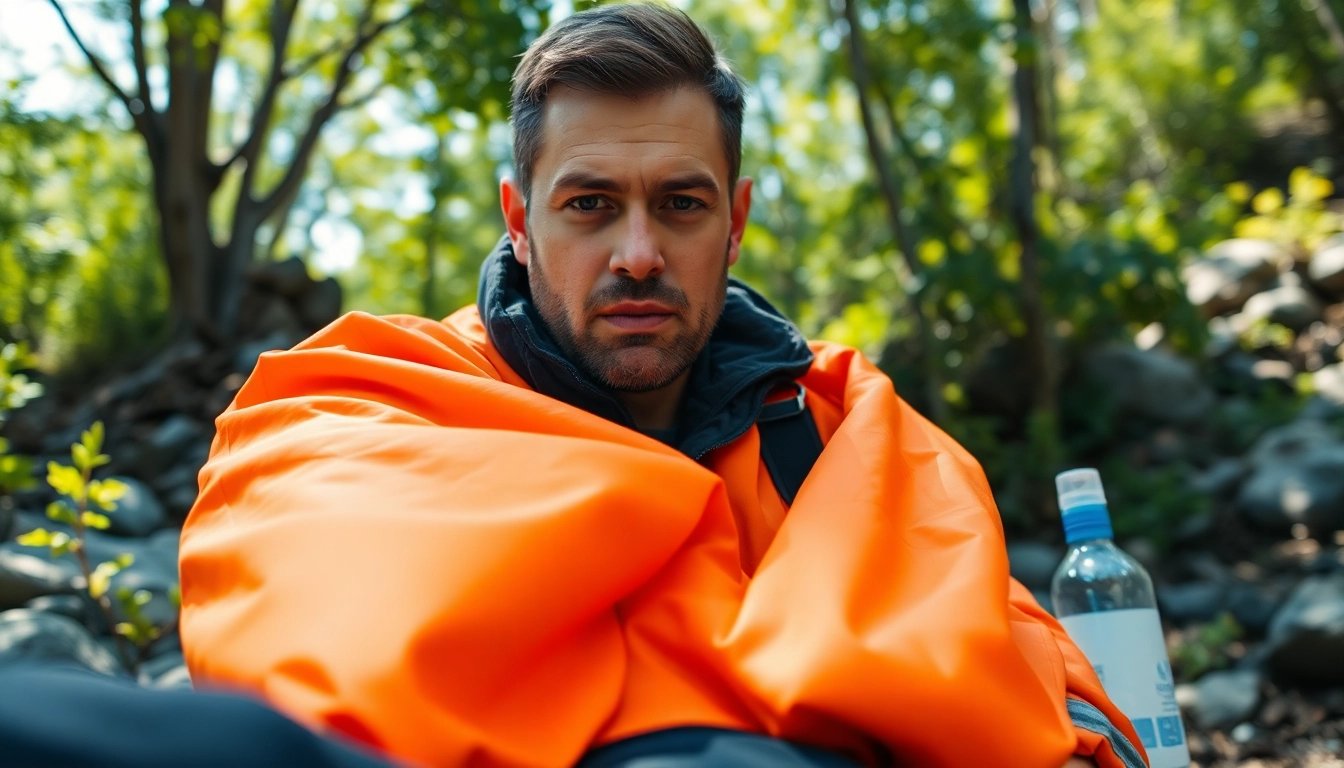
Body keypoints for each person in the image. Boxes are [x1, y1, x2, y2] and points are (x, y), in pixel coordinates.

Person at [0, 4, 1146, 767]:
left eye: (681, 206)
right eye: (590, 205)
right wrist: (760, 629)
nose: (637, 253)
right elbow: (335, 664)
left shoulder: (850, 428)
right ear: (521, 219)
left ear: (734, 225)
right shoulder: (365, 394)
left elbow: (1066, 717)